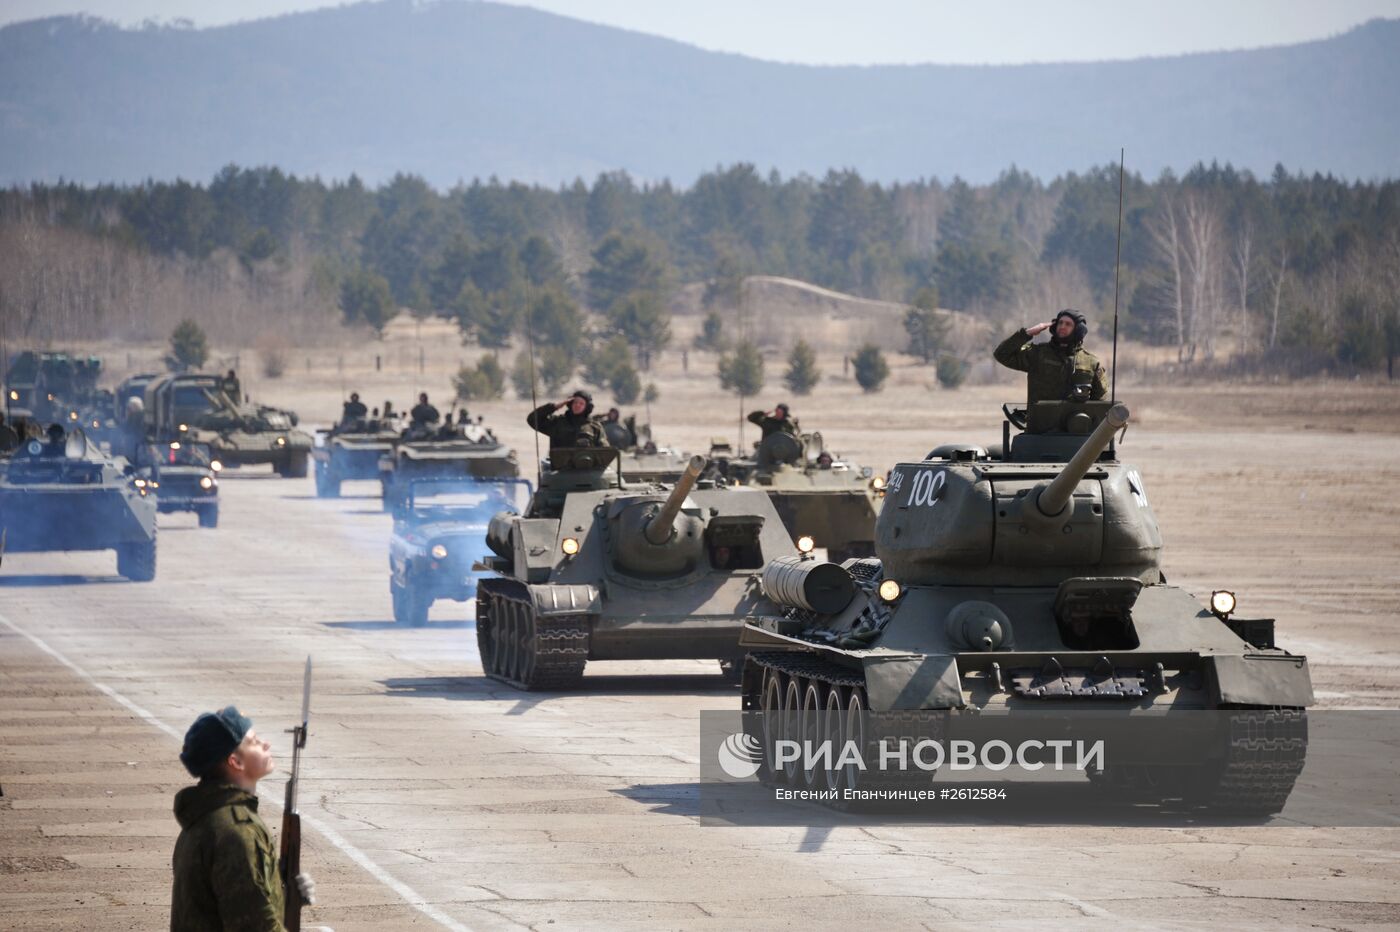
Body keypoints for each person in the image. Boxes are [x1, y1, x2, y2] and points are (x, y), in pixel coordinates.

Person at [170, 705, 320, 932]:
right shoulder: (235, 831)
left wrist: (282, 886)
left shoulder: (208, 818)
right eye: (254, 741)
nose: (265, 744)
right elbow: (252, 926)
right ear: (235, 762)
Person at [994, 309, 1109, 406]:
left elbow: (1100, 402)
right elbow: (1001, 354)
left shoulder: (1091, 363)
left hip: (1076, 428)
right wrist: (1027, 333)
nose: (1062, 326)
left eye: (1068, 324)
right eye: (1060, 323)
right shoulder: (1038, 354)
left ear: (1078, 330)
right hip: (1040, 428)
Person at [526, 389, 609, 453]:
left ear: (587, 407)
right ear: (570, 404)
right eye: (575, 402)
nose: (577, 405)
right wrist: (554, 407)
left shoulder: (594, 427)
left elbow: (605, 451)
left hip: (588, 471)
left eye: (581, 403)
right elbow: (532, 419)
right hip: (561, 471)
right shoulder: (557, 423)